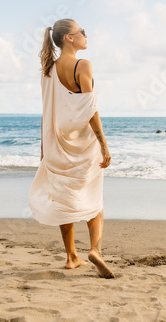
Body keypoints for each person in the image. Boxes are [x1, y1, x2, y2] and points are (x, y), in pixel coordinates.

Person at [28, 18, 115, 279]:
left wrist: (44, 149)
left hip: (56, 142)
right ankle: (95, 250)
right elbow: (90, 110)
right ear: (69, 38)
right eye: (82, 32)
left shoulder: (48, 70)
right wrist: (103, 144)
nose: (86, 35)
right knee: (93, 197)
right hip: (83, 143)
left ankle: (71, 257)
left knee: (64, 198)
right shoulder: (82, 65)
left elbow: (46, 113)